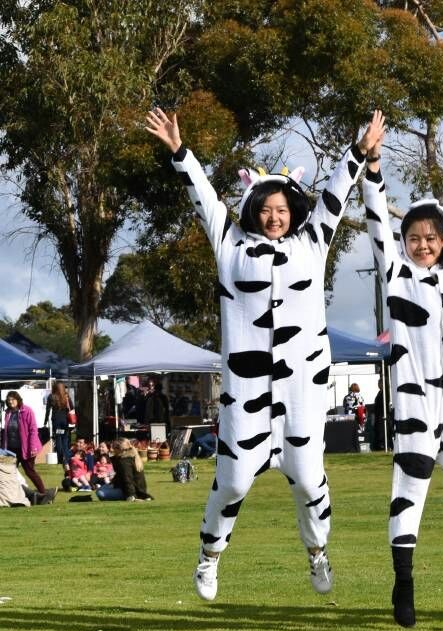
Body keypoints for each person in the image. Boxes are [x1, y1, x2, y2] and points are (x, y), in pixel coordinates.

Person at [145, 106, 373, 602]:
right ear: (253, 209)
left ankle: (317, 553)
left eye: (283, 211)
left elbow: (336, 197)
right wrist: (179, 152)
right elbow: (204, 199)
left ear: (294, 215)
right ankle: (209, 559)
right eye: (267, 209)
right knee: (231, 483)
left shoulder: (312, 244)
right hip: (245, 394)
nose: (275, 217)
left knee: (311, 481)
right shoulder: (230, 243)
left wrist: (357, 152)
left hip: (301, 392)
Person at [361, 112, 443, 628]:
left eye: (431, 238)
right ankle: (404, 587)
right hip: (417, 400)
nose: (423, 245)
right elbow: (375, 217)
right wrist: (372, 160)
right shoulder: (395, 274)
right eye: (414, 237)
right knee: (411, 488)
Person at [2, 391, 52, 505]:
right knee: (8, 472)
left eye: (13, 399)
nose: (11, 402)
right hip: (10, 449)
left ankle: (43, 494)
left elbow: (33, 430)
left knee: (30, 471)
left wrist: (33, 447)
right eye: (9, 400)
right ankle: (13, 495)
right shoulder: (8, 413)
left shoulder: (27, 411)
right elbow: (6, 432)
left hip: (25, 448)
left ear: (18, 399)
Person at [44, 382, 75, 469]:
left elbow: (48, 410)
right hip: (65, 421)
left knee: (58, 439)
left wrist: (45, 421)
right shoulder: (66, 396)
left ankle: (60, 458)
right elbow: (72, 407)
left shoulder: (51, 396)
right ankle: (66, 458)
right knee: (65, 439)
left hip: (56, 422)